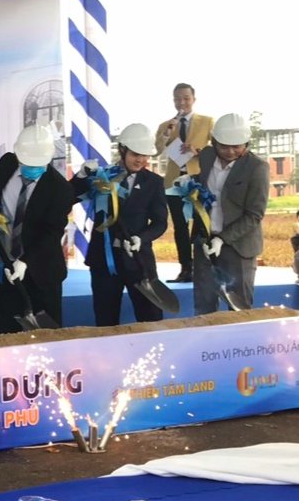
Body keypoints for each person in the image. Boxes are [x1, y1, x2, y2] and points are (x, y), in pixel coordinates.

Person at [0, 124, 75, 334]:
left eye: (38, 165)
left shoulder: (61, 189)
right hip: (6, 264)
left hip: (42, 271)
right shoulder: (8, 163)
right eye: (27, 164)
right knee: (6, 331)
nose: (32, 169)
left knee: (46, 337)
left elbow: (51, 233)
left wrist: (25, 260)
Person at [71, 124, 168, 326]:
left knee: (151, 319)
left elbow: (160, 223)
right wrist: (81, 176)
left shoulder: (153, 182)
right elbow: (69, 196)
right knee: (106, 320)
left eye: (144, 155)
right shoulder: (101, 176)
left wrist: (141, 238)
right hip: (103, 261)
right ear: (122, 150)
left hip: (139, 261)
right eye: (135, 154)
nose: (140, 160)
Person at [191, 113, 269, 314]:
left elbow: (254, 214)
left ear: (246, 144)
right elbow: (201, 187)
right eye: (224, 146)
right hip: (205, 242)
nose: (231, 151)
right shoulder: (206, 156)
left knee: (239, 308)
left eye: (237, 146)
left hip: (238, 248)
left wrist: (222, 239)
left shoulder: (257, 168)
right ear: (214, 142)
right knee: (204, 306)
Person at [154, 83, 214, 283]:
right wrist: (166, 133)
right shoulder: (166, 125)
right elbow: (156, 150)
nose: (182, 102)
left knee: (200, 223)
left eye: (186, 98)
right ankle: (185, 268)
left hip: (198, 179)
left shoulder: (207, 122)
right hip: (174, 182)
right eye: (177, 99)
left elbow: (217, 149)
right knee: (179, 226)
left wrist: (197, 151)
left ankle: (200, 266)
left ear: (193, 99)